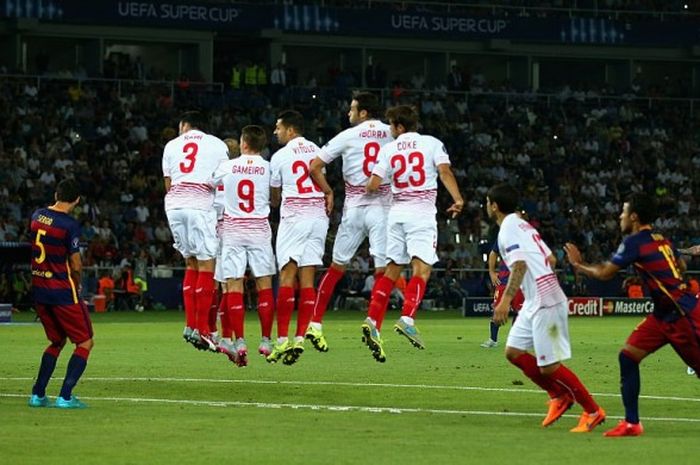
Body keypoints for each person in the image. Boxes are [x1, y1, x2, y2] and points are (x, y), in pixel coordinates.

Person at [565, 192, 700, 437]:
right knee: (628, 357)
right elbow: (681, 266)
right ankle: (632, 423)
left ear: (634, 217)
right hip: (662, 315)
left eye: (624, 212)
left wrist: (579, 266)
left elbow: (606, 273)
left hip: (682, 315)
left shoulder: (635, 241)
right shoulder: (662, 239)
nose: (620, 216)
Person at [487, 183, 606, 433]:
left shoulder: (507, 228)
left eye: (487, 203)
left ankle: (593, 411)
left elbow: (519, 264)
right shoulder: (523, 224)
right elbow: (550, 259)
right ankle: (558, 395)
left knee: (549, 366)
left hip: (545, 299)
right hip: (536, 298)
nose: (487, 206)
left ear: (494, 206)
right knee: (514, 352)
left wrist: (506, 300)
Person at [362, 105, 464, 362]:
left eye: (390, 125)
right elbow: (445, 172)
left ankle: (373, 320)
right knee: (422, 269)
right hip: (421, 214)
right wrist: (458, 199)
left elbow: (373, 185)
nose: (389, 129)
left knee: (392, 269)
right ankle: (407, 318)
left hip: (396, 215)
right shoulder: (431, 143)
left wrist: (373, 185)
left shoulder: (388, 149)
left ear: (399, 127)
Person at [307, 92, 394, 352]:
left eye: (352, 109)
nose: (349, 114)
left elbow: (314, 166)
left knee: (336, 268)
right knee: (382, 270)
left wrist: (328, 191)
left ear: (363, 113)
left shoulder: (347, 136)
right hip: (383, 208)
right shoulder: (392, 133)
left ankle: (315, 324)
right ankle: (373, 324)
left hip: (354, 208)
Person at [267, 110, 330, 365]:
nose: (275, 132)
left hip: (294, 215)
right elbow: (320, 176)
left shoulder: (280, 156)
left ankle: (282, 341)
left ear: (291, 130)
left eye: (278, 128)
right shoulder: (316, 149)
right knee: (308, 279)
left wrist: (273, 203)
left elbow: (274, 197)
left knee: (286, 276)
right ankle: (301, 338)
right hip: (318, 216)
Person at [162, 110, 229, 351]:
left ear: (186, 125)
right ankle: (202, 330)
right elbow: (223, 178)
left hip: (175, 205)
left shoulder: (171, 145)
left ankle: (190, 326)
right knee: (206, 267)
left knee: (190, 264)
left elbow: (168, 183)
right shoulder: (217, 145)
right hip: (201, 205)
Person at [213, 125, 276, 367]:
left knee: (234, 284)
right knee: (264, 285)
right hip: (259, 229)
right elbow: (276, 195)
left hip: (233, 230)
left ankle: (239, 340)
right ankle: (266, 340)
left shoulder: (227, 166)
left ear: (244, 143)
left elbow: (210, 183)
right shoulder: (269, 167)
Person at [28, 179, 94, 409]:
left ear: (56, 193)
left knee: (56, 341)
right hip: (62, 292)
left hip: (39, 290)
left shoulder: (37, 216)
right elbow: (75, 265)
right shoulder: (69, 225)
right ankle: (65, 396)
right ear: (76, 200)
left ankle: (38, 394)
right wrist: (78, 284)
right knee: (85, 342)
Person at [481, 241, 525, 348]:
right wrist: (491, 272)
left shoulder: (526, 235)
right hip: (504, 281)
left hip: (521, 281)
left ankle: (516, 341)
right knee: (497, 310)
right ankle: (493, 339)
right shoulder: (503, 235)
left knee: (520, 313)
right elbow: (493, 253)